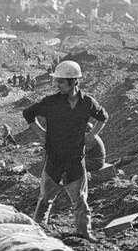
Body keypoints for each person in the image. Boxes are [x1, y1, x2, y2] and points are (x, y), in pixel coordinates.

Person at [23, 59, 108, 239]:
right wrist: (40, 132)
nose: (57, 84)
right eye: (57, 81)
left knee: (80, 200)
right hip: (54, 158)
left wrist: (91, 135)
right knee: (45, 199)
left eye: (61, 81)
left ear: (74, 81)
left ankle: (84, 233)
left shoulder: (87, 103)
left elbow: (103, 117)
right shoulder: (51, 102)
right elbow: (28, 113)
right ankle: (37, 231)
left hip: (76, 160)